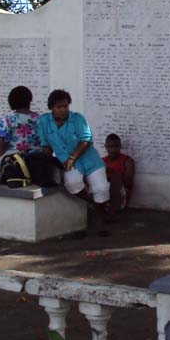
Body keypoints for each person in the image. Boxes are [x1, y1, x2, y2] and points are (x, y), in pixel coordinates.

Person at [37, 89, 110, 237]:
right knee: (72, 184)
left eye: (66, 106)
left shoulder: (78, 119)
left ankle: (100, 220)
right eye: (59, 107)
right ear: (51, 107)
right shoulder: (44, 121)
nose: (63, 110)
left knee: (101, 188)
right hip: (66, 162)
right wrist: (47, 164)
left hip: (89, 159)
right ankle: (95, 205)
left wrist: (72, 157)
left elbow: (86, 140)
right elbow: (45, 145)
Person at [0, 86, 41, 159]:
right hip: (36, 161)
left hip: (14, 162)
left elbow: (2, 146)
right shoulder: (40, 119)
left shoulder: (7, 120)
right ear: (30, 100)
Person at [102, 133, 135, 217]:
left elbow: (128, 182)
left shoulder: (127, 161)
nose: (113, 150)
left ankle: (111, 211)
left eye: (116, 146)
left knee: (115, 179)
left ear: (120, 146)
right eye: (110, 147)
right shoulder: (102, 161)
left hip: (120, 197)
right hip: (104, 193)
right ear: (106, 147)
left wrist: (112, 174)